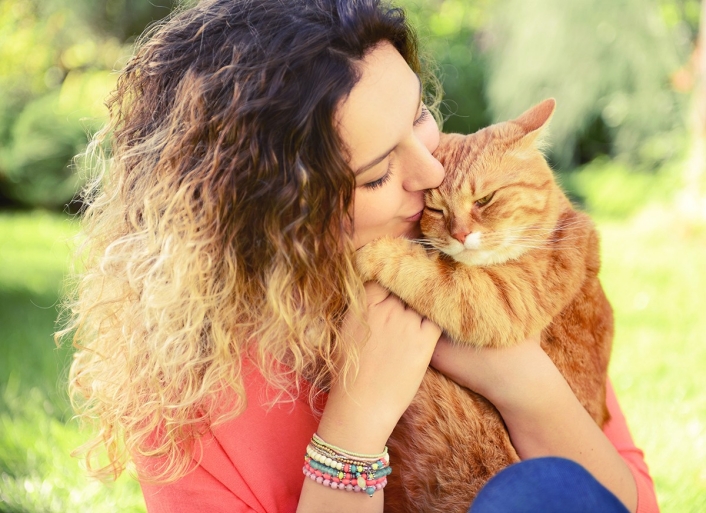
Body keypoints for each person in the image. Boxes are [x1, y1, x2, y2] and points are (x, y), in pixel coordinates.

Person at [62, 1, 659, 512]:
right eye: (377, 175)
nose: (431, 172)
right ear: (275, 212)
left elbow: (625, 501)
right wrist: (357, 423)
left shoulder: (481, 266)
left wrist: (521, 379)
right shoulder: (190, 393)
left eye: (419, 115)